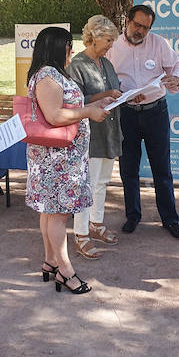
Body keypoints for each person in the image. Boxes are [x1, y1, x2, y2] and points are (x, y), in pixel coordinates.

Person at [25, 26, 112, 294]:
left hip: (60, 157)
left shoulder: (50, 74)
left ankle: (51, 261)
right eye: (67, 46)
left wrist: (92, 106)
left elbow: (65, 108)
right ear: (55, 48)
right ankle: (65, 270)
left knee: (50, 212)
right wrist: (88, 112)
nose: (71, 51)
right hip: (58, 160)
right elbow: (54, 115)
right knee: (59, 216)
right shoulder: (47, 76)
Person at [108, 4, 179, 239]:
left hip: (155, 112)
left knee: (162, 168)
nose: (140, 31)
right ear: (127, 20)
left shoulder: (159, 43)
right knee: (128, 168)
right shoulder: (112, 47)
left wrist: (177, 79)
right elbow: (105, 79)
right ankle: (132, 215)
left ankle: (170, 219)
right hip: (126, 113)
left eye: (145, 28)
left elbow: (177, 67)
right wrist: (122, 93)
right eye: (137, 25)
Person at [65, 15, 123, 259]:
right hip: (88, 134)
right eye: (108, 40)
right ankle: (81, 234)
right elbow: (72, 102)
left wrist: (125, 95)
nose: (111, 45)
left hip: (108, 131)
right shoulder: (77, 65)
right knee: (86, 186)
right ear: (95, 38)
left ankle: (96, 224)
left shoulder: (105, 63)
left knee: (102, 183)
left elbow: (112, 91)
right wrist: (106, 94)